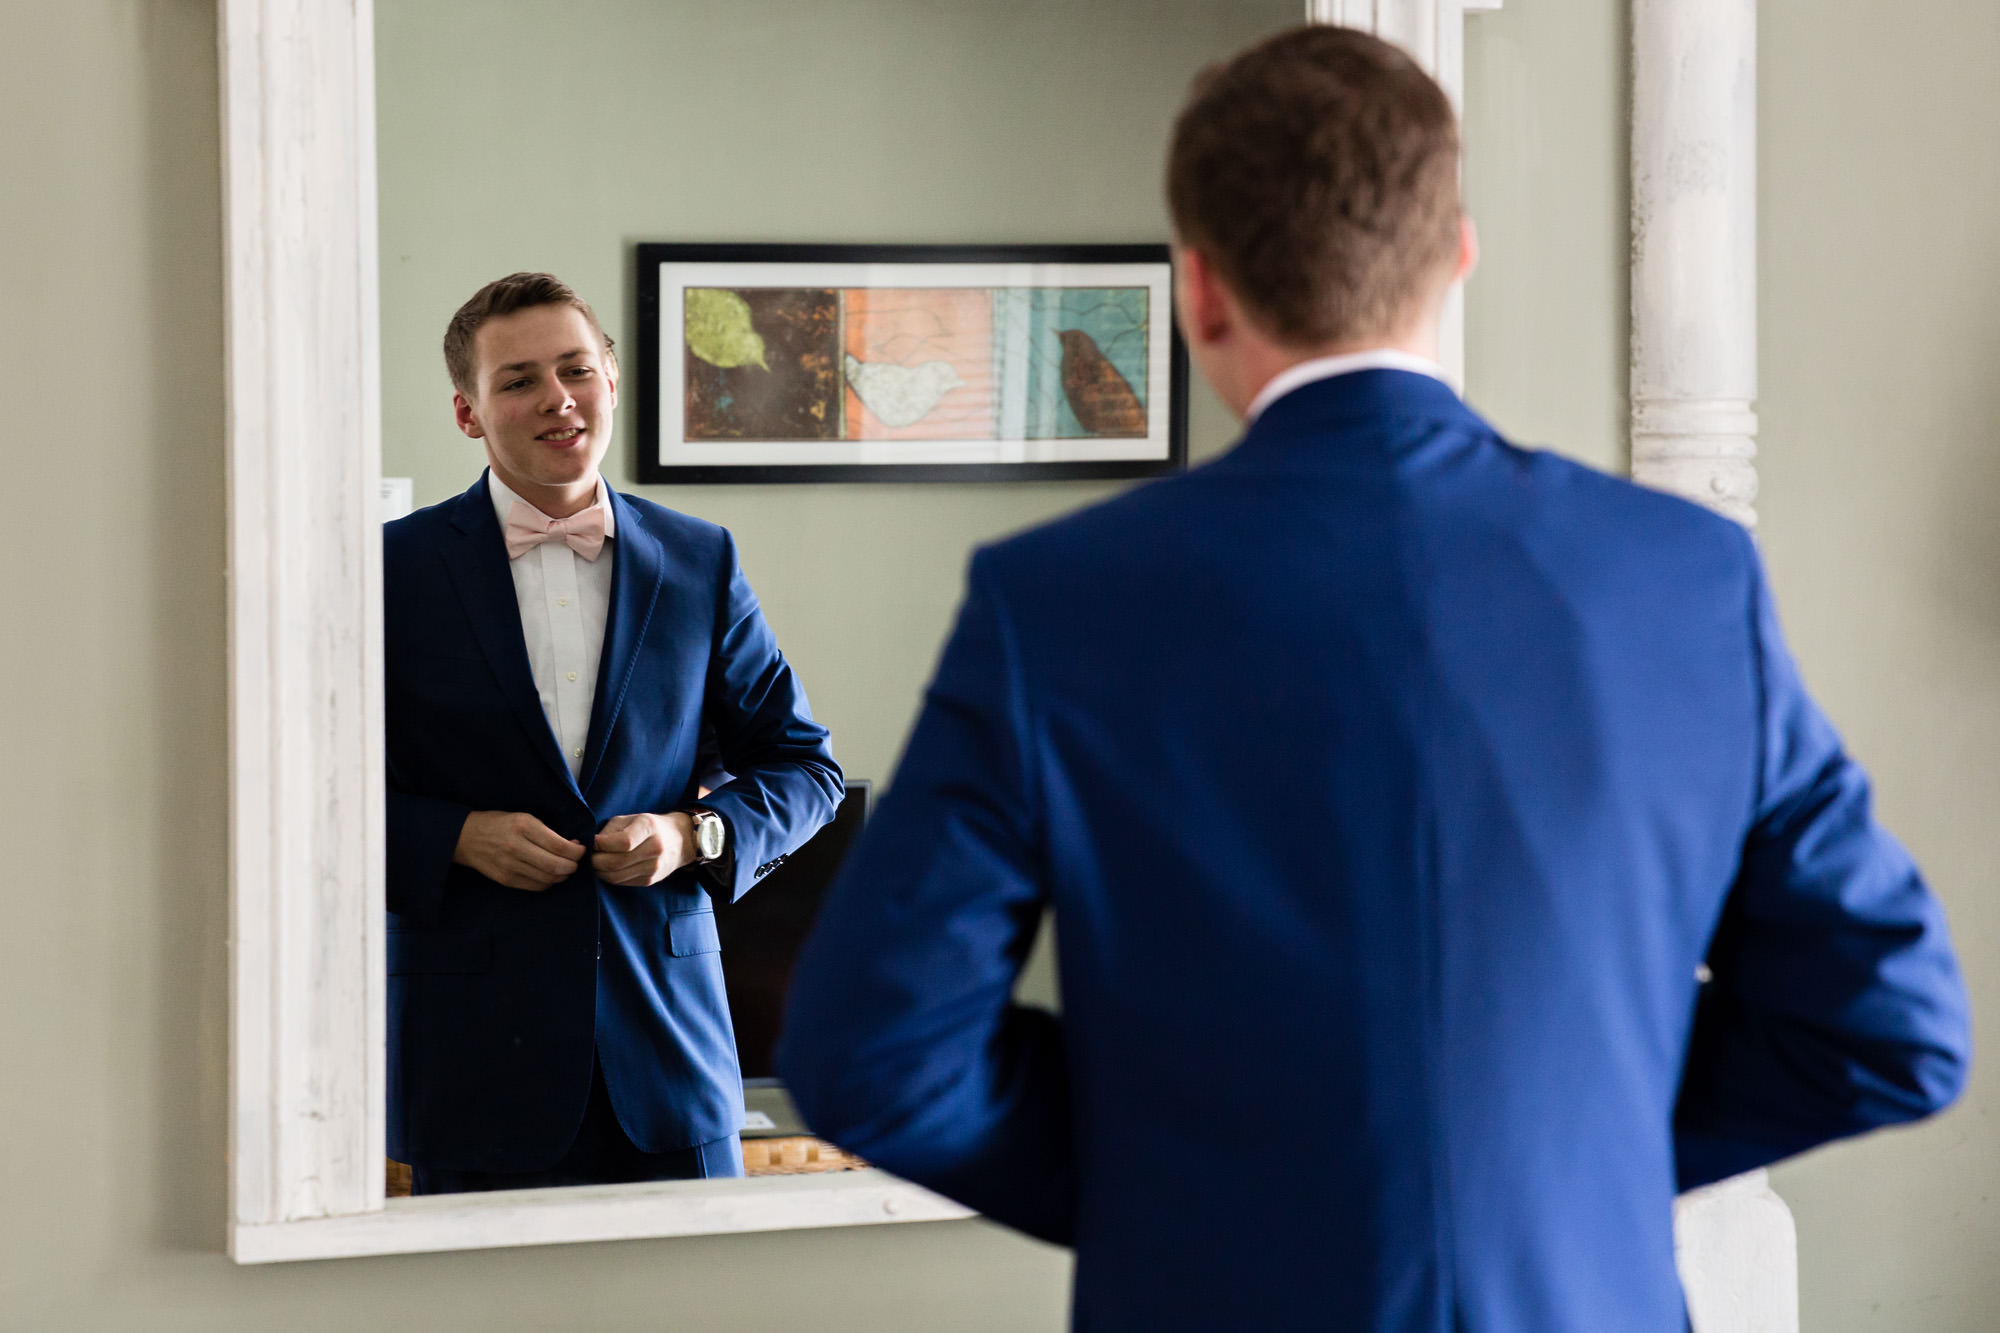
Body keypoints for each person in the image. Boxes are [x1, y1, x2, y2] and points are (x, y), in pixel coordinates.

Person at [775, 26, 1970, 1331]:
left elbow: (873, 1054)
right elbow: (1888, 1024)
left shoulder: (1055, 603)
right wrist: (1575, 1167)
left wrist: (1204, 1191)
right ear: (1457, 251)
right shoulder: (1689, 579)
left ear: (1201, 290)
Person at [384, 272, 841, 1193]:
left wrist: (691, 834)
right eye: (518, 381)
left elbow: (805, 769)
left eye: (576, 369)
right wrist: (457, 837)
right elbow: (310, 793)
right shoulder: (391, 571)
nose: (557, 399)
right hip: (473, 1074)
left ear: (614, 381)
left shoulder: (701, 560)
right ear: (470, 413)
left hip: (674, 1070)